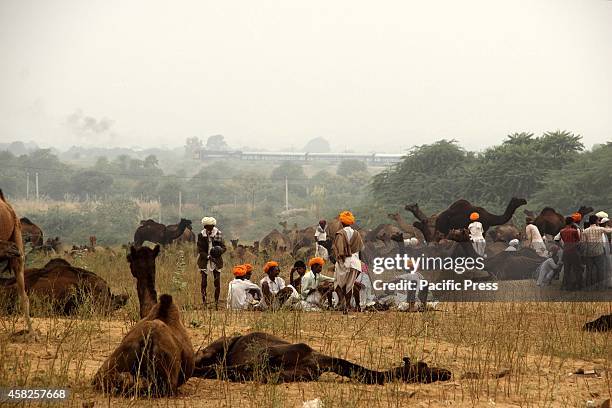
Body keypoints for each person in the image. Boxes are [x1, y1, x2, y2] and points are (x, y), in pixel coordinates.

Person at [332, 210, 365, 313]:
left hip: (344, 262)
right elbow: (360, 249)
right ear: (351, 222)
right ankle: (347, 306)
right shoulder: (357, 234)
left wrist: (340, 259)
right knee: (349, 286)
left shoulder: (340, 234)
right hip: (355, 263)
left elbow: (340, 251)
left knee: (337, 284)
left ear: (342, 222)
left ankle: (343, 304)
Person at [197, 217, 227, 309]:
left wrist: (218, 251)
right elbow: (200, 250)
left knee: (217, 282)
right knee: (203, 282)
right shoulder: (201, 235)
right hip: (205, 260)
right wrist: (208, 256)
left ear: (213, 226)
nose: (209, 229)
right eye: (207, 227)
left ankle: (216, 303)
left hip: (216, 260)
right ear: (205, 226)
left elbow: (224, 247)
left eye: (210, 227)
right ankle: (204, 302)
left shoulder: (218, 234)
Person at [581, 215, 612, 290]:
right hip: (599, 252)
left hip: (589, 253)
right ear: (595, 221)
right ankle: (600, 287)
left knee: (589, 271)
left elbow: (583, 243)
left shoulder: (585, 231)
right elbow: (609, 231)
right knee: (600, 270)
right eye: (598, 220)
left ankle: (588, 287)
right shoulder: (600, 229)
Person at [559, 216, 582, 290]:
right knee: (577, 269)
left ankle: (567, 286)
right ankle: (579, 286)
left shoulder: (561, 231)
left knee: (567, 270)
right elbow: (578, 240)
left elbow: (563, 240)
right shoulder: (574, 231)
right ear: (572, 222)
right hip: (574, 251)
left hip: (565, 251)